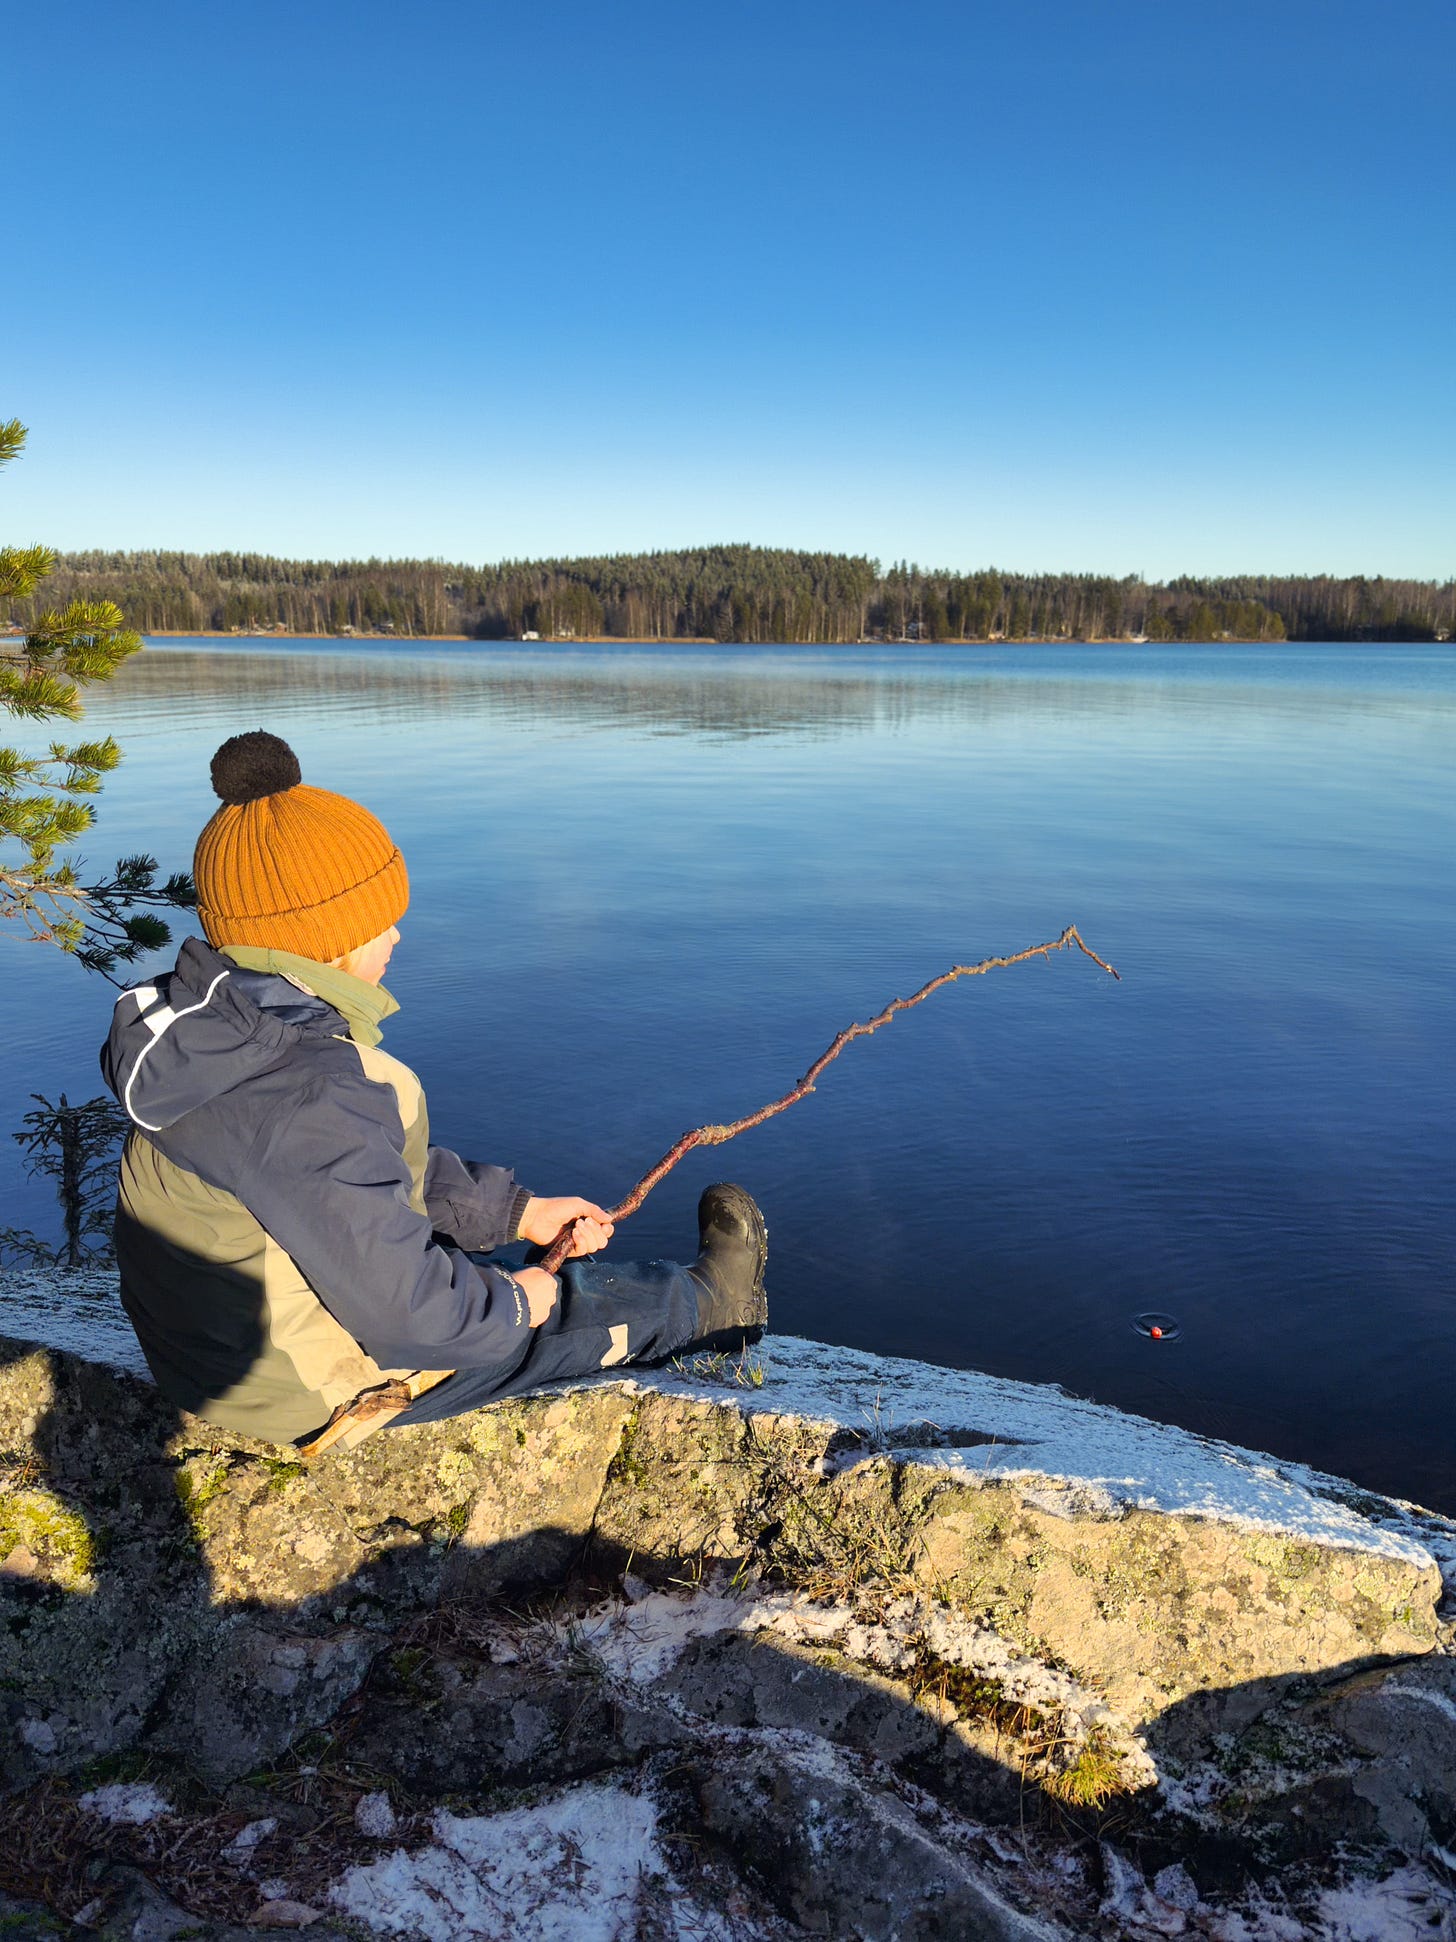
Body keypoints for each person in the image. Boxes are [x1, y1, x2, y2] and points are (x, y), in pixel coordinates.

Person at [99, 730, 767, 1451]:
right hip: (308, 1388)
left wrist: (518, 1214)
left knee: (479, 1280)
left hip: (207, 1355)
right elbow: (413, 1316)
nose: (396, 937)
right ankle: (717, 1304)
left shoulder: (214, 1038)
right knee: (569, 1310)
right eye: (379, 921)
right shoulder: (311, 1090)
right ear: (327, 937)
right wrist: (518, 1303)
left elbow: (348, 1178)